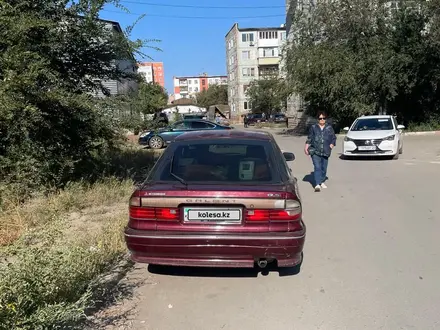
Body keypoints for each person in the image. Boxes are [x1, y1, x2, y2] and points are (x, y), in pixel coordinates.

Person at [304, 111, 337, 192]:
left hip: (325, 150)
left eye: (323, 118)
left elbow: (334, 138)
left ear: (325, 119)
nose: (322, 120)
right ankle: (317, 184)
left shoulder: (329, 128)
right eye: (320, 118)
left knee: (323, 168)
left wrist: (332, 144)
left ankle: (322, 181)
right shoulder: (314, 127)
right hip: (315, 150)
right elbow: (310, 137)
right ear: (318, 119)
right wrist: (306, 147)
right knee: (317, 167)